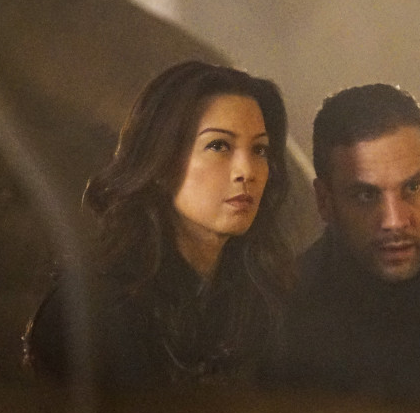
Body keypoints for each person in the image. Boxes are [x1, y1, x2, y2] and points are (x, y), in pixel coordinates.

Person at [24, 60, 294, 389]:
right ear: (161, 160)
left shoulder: (265, 300)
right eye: (218, 146)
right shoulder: (92, 309)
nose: (247, 171)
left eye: (259, 150)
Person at [264, 84, 420, 401]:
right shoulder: (290, 314)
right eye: (365, 195)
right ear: (325, 201)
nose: (394, 221)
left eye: (413, 187)